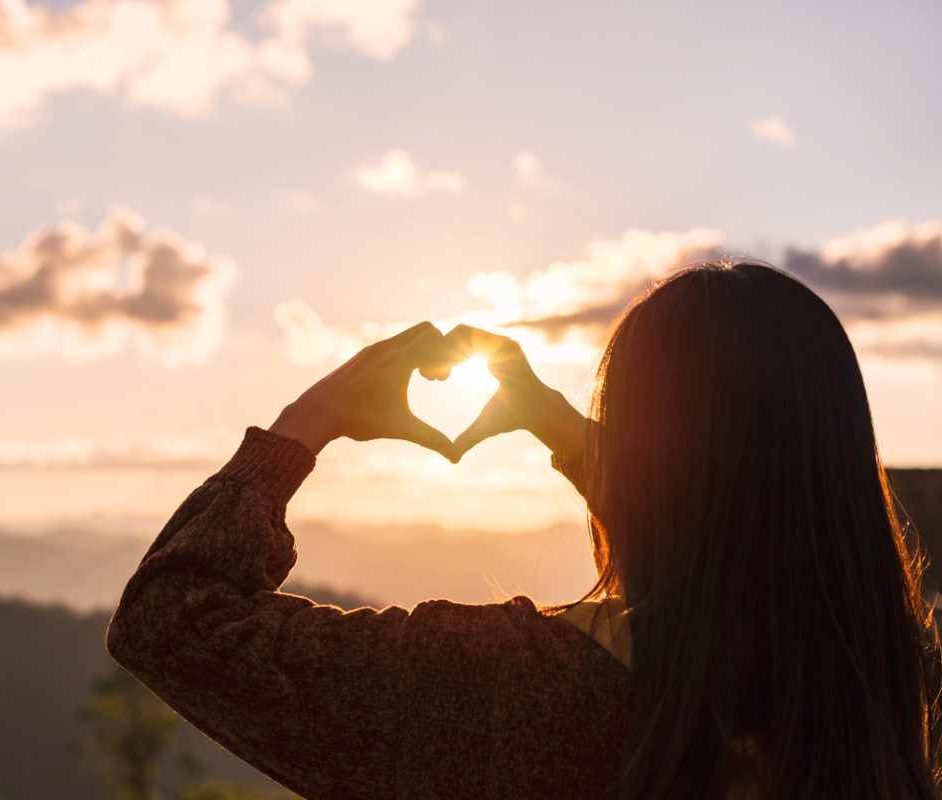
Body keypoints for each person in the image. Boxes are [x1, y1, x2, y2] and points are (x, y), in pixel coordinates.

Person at [106, 261, 942, 799]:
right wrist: (560, 427)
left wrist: (305, 425)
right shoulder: (873, 673)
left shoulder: (524, 692)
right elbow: (736, 530)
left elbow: (170, 619)